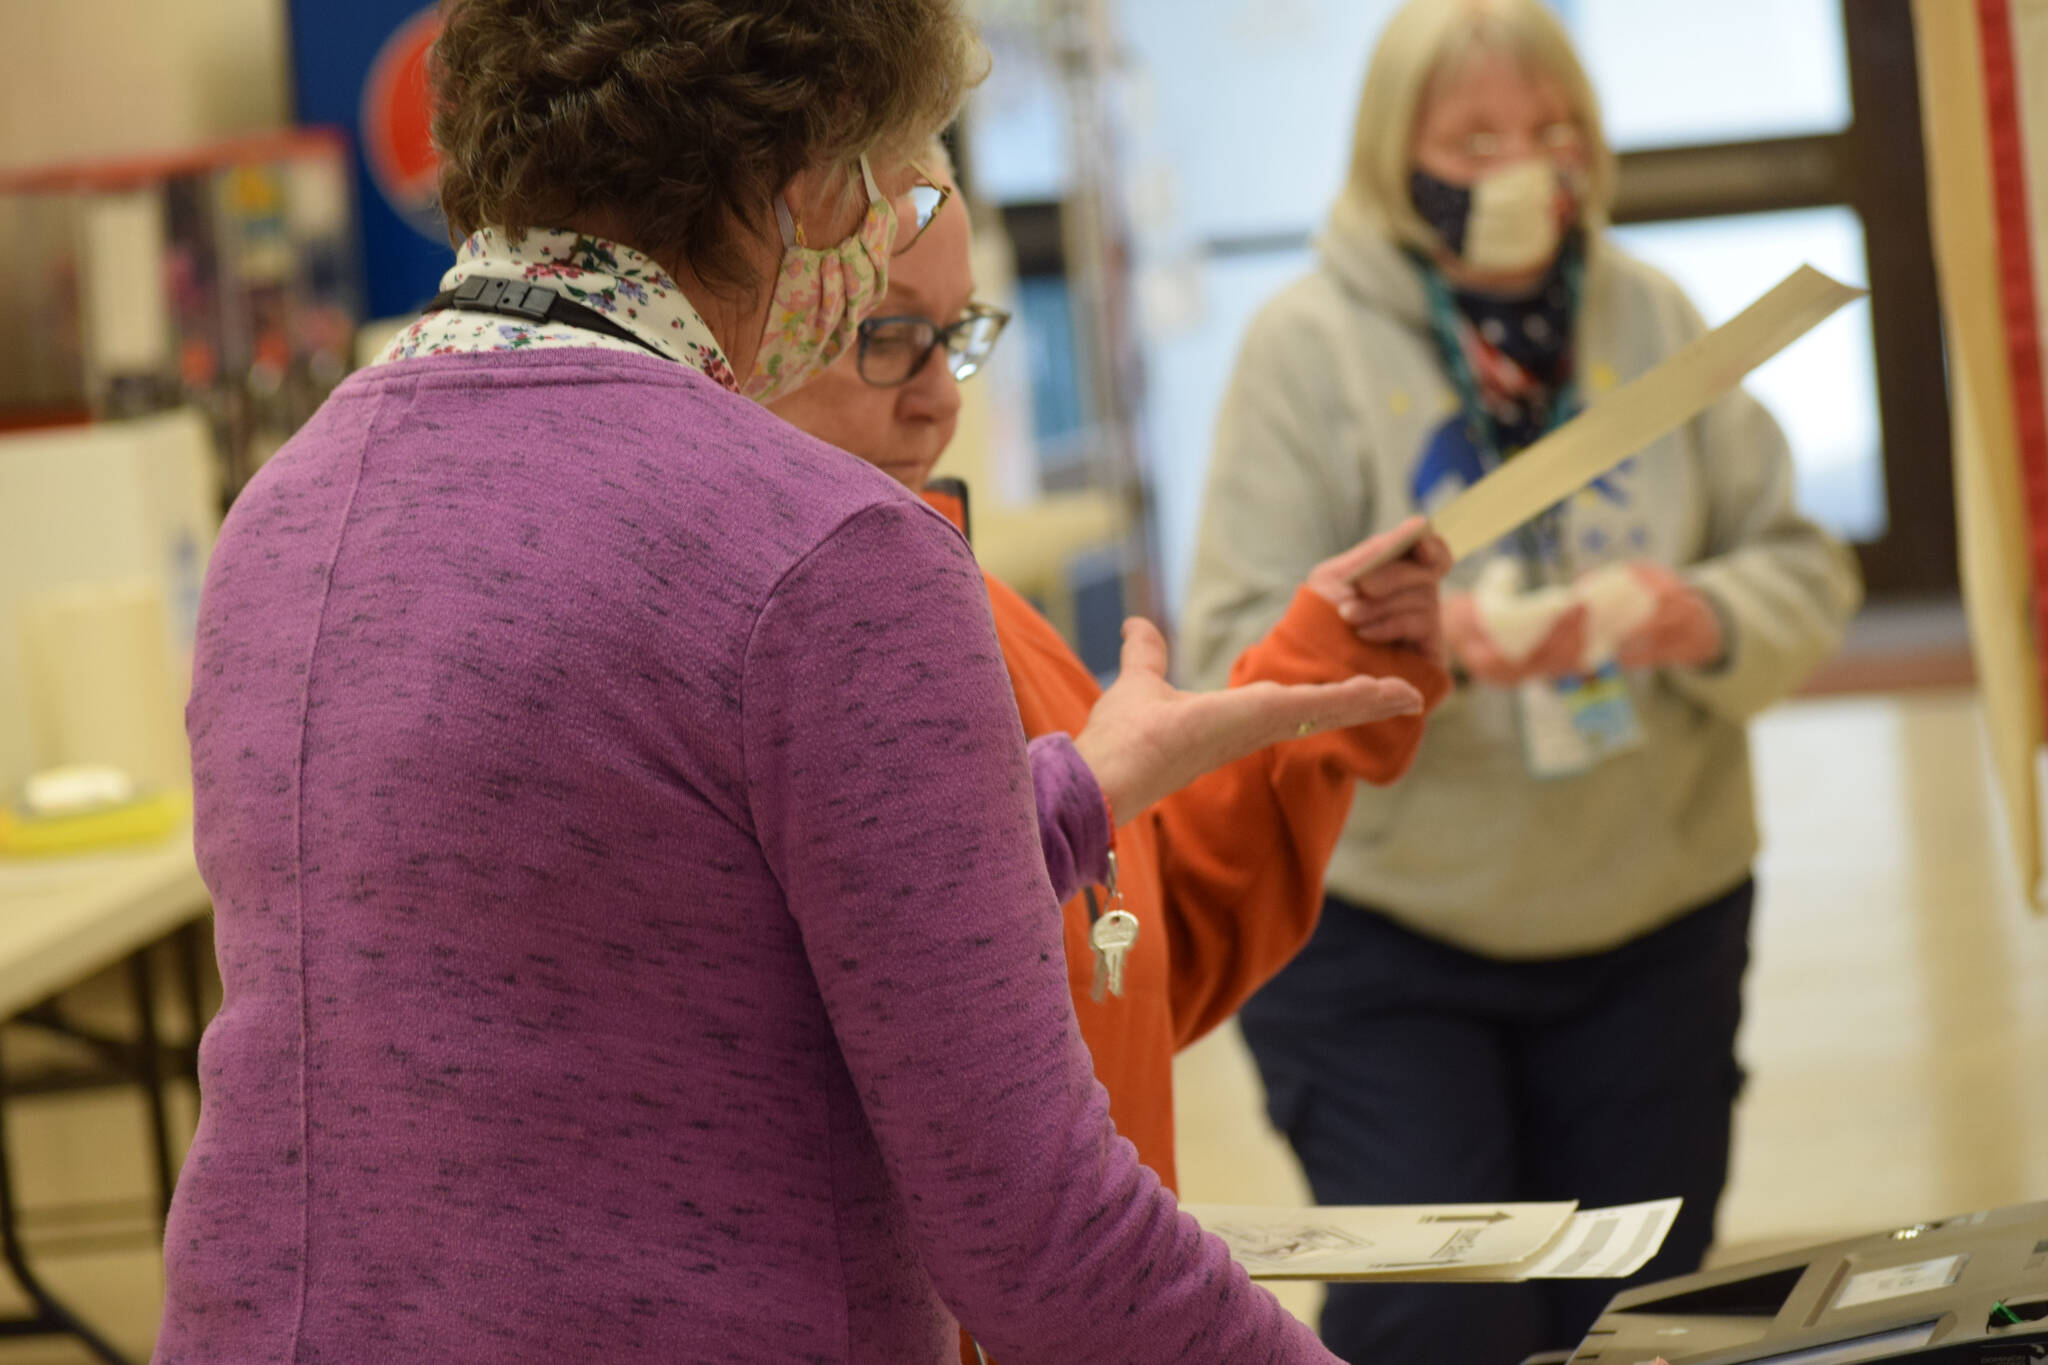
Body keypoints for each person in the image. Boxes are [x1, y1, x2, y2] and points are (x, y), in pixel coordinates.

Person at [152, 3, 1392, 1361]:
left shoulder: (285, 513)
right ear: (811, 183)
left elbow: (661, 923)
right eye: (898, 180)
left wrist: (1068, 792)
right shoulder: (832, 552)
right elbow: (1034, 1233)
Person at [1181, 2, 1864, 1363]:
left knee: (1639, 1317)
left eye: (1554, 131)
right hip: (1385, 930)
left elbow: (1803, 565)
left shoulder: (1652, 317)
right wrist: (1429, 648)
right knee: (1436, 1322)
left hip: (1653, 904)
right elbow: (1234, 653)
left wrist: (1691, 615)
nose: (1524, 167)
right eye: (1476, 137)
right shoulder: (1307, 348)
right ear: (1396, 152)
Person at [768, 148, 1454, 1207]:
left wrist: (1317, 660)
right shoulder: (738, 657)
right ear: (725, 329)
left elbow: (1124, 957)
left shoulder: (969, 606)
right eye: (885, 336)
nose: (938, 405)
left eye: (955, 340)